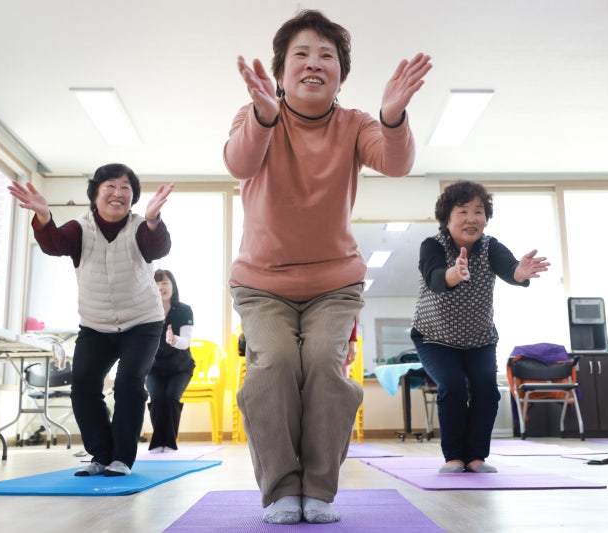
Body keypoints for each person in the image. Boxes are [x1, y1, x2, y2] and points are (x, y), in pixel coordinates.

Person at [224, 9, 432, 525]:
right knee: (272, 367)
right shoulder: (254, 115)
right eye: (301, 54)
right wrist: (264, 116)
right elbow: (239, 163)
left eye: (327, 57)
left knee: (322, 364)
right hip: (261, 283)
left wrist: (392, 115)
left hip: (334, 283)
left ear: (340, 74)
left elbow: (396, 162)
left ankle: (318, 487)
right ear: (279, 71)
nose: (314, 64)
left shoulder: (355, 123)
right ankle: (279, 490)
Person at [8, 163, 174, 477]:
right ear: (95, 194)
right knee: (83, 384)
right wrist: (44, 217)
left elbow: (158, 247)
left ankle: (122, 458)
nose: (119, 193)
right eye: (110, 185)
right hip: (96, 324)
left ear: (133, 197)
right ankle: (101, 454)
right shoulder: (80, 228)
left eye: (126, 187)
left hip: (142, 322)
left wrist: (153, 220)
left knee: (128, 383)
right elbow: (54, 244)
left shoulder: (139, 226)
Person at [410, 180, 550, 474]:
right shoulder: (433, 245)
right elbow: (434, 277)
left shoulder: (490, 246)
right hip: (434, 337)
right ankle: (453, 457)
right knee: (452, 386)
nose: (472, 218)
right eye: (463, 211)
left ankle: (476, 457)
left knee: (487, 390)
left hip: (479, 339)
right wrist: (453, 273)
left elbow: (509, 268)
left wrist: (519, 272)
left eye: (479, 211)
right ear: (447, 217)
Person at [145, 269, 195, 453]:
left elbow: (186, 341)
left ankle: (170, 444)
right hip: (153, 367)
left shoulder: (184, 310)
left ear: (173, 285)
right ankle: (158, 443)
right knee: (157, 398)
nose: (160, 287)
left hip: (180, 367)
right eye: (156, 283)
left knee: (171, 398)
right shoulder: (147, 311)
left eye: (165, 282)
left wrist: (174, 340)